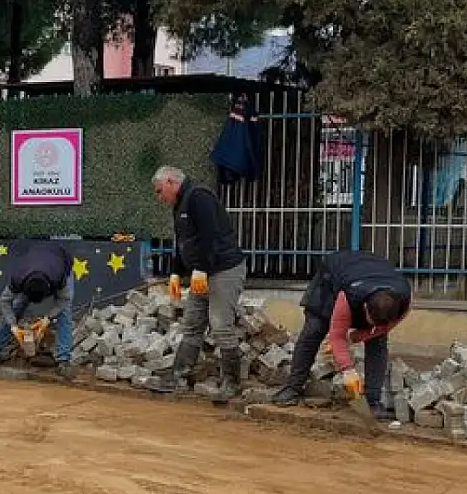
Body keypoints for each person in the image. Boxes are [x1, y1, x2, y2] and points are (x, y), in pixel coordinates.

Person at [271, 250, 412, 419]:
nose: (372, 326)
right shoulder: (349, 296)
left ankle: (372, 402)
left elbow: (383, 328)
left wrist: (357, 337)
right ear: (365, 308)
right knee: (314, 329)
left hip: (373, 274)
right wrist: (347, 369)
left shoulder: (402, 299)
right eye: (370, 321)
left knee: (378, 342)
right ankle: (292, 388)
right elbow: (337, 335)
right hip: (333, 277)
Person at [150, 165, 247, 397]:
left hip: (224, 270)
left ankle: (231, 382)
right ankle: (179, 375)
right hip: (201, 272)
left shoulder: (199, 197)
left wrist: (201, 269)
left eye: (159, 190)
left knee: (221, 324)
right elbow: (183, 241)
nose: (159, 197)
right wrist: (176, 272)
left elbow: (209, 235)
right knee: (193, 322)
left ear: (172, 182)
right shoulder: (180, 205)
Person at [0, 241, 76, 376]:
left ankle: (63, 360)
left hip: (60, 260)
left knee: (65, 313)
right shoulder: (17, 278)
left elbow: (64, 300)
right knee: (16, 306)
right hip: (33, 263)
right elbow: (4, 301)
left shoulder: (59, 277)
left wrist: (48, 318)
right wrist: (12, 324)